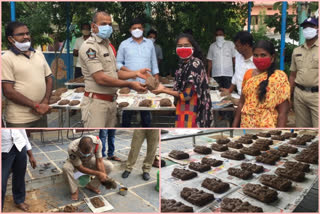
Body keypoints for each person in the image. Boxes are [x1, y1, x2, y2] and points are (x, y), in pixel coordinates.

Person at [79, 12, 148, 128]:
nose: (107, 27)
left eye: (109, 24)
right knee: (95, 139)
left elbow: (115, 73)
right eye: (103, 24)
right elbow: (100, 79)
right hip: (96, 104)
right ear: (93, 26)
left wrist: (135, 73)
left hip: (111, 102)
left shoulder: (107, 46)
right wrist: (130, 84)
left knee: (108, 139)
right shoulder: (89, 47)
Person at [152, 33, 212, 127]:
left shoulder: (194, 65)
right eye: (179, 46)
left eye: (186, 45)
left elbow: (187, 95)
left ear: (193, 47)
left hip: (193, 111)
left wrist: (163, 90)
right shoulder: (184, 64)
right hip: (184, 109)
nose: (183, 48)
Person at [2, 21, 52, 127]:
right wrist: (36, 105)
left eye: (27, 33)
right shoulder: (6, 58)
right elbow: (8, 91)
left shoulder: (38, 54)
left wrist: (45, 101)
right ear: (11, 39)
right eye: (21, 34)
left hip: (41, 114)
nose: (26, 36)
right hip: (19, 119)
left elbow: (49, 78)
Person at [232, 40, 290, 128]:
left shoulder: (279, 77)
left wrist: (278, 134)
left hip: (267, 128)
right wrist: (234, 127)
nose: (259, 58)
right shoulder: (248, 74)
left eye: (263, 55)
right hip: (246, 126)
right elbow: (241, 103)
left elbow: (283, 113)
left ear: (272, 57)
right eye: (255, 55)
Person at [117, 18, 159, 127]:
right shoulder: (124, 44)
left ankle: (146, 129)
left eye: (139, 28)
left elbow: (154, 63)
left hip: (146, 83)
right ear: (130, 30)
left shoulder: (149, 43)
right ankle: (125, 130)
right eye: (134, 28)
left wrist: (156, 79)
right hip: (129, 83)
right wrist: (133, 72)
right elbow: (118, 64)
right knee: (128, 110)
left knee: (146, 111)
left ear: (143, 29)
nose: (137, 30)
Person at [62, 135, 113, 200]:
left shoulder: (97, 142)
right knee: (66, 168)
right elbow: (80, 168)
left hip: (89, 160)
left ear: (92, 147)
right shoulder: (72, 148)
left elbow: (99, 161)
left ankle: (91, 185)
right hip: (75, 162)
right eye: (83, 153)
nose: (85, 155)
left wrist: (104, 177)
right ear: (79, 147)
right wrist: (98, 173)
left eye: (88, 153)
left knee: (109, 166)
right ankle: (74, 191)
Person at [289, 17, 318, 127]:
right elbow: (292, 75)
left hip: (316, 95)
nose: (307, 29)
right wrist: (289, 96)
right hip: (299, 94)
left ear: (317, 28)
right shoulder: (297, 51)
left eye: (311, 26)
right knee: (302, 130)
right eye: (305, 27)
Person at [2, 129, 37, 212]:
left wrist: (31, 155)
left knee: (19, 176)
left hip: (20, 146)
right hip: (3, 149)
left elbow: (23, 133)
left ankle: (19, 200)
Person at [221, 31, 256, 95]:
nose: (235, 48)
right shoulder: (238, 56)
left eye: (237, 46)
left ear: (246, 45)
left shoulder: (257, 61)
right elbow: (236, 75)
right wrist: (229, 90)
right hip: (239, 96)